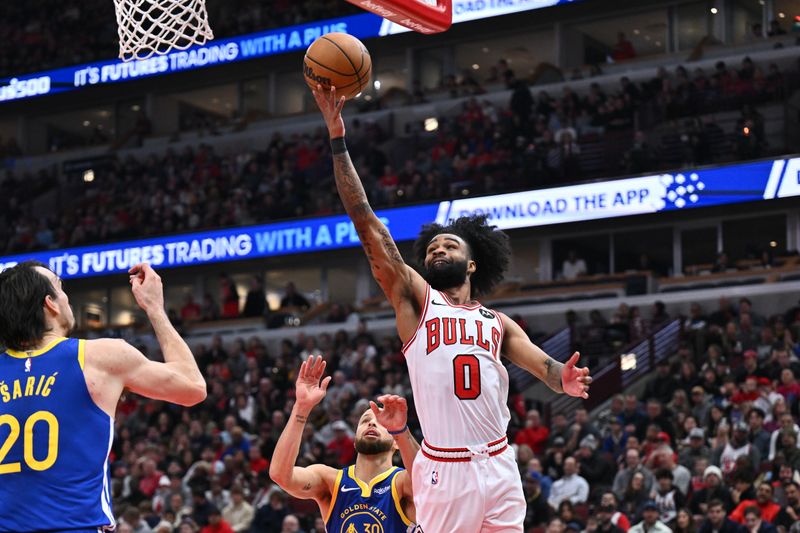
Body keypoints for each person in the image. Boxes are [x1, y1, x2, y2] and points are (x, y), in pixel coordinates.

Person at [313, 84, 592, 533]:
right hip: (445, 467)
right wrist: (337, 138)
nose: (438, 249)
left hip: (501, 462)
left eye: (450, 244)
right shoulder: (416, 300)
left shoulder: (498, 323)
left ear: (473, 261)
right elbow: (365, 218)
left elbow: (545, 368)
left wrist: (565, 377)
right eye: (432, 248)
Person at [0, 261, 206, 531]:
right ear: (50, 303)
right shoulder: (98, 357)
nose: (67, 297)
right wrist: (154, 308)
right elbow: (192, 387)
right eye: (61, 289)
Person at [269, 356, 417, 532]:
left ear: (396, 442)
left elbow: (431, 482)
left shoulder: (403, 482)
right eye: (365, 420)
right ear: (354, 439)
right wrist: (301, 408)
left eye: (382, 423)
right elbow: (280, 475)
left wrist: (402, 430)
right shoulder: (330, 481)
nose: (371, 423)